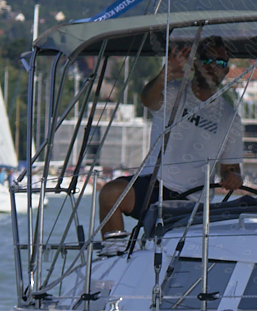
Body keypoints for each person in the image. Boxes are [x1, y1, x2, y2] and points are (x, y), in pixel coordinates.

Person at [99, 37, 243, 234]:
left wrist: (233, 177)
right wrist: (163, 76)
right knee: (110, 195)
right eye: (206, 59)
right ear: (195, 63)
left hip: (193, 199)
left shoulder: (230, 118)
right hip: (155, 184)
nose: (212, 66)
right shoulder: (173, 92)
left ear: (226, 70)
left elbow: (230, 168)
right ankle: (115, 250)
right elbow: (147, 99)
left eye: (220, 62)